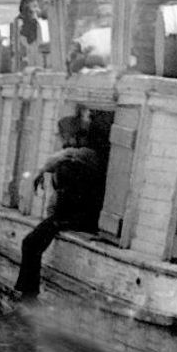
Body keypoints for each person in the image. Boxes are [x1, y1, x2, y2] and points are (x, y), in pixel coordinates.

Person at [17, 116, 106, 298]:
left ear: (73, 136)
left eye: (64, 136)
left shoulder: (88, 154)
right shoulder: (75, 156)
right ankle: (28, 291)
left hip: (76, 217)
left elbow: (57, 158)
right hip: (65, 216)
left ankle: (29, 294)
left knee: (30, 243)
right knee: (31, 244)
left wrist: (41, 171)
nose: (62, 140)